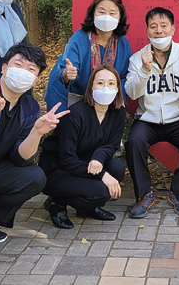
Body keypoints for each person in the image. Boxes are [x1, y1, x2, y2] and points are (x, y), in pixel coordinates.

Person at [125, 7, 179, 218]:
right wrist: (144, 70)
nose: (159, 31)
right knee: (133, 143)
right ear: (147, 31)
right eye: (153, 27)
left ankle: (178, 194)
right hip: (148, 119)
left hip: (178, 118)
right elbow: (132, 93)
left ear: (173, 28)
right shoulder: (137, 58)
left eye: (163, 26)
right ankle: (144, 195)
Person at [0, 44, 67, 243]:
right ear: (4, 68)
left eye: (31, 69)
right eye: (18, 64)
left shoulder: (30, 107)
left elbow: (20, 158)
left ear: (36, 80)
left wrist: (36, 133)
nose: (23, 72)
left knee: (34, 177)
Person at [39, 65, 126, 229]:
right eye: (100, 83)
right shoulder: (75, 114)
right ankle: (56, 202)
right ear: (91, 87)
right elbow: (67, 159)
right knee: (101, 191)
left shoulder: (118, 112)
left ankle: (86, 208)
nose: (105, 88)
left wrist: (97, 158)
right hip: (58, 168)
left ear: (117, 88)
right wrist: (101, 174)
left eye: (111, 83)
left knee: (117, 168)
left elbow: (112, 145)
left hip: (84, 162)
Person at [45, 0, 131, 113]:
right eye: (101, 12)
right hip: (72, 95)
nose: (107, 16)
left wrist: (119, 97)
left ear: (120, 17)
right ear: (93, 14)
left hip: (105, 96)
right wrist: (67, 73)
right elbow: (66, 71)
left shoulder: (122, 43)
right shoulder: (79, 39)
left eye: (112, 13)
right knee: (71, 128)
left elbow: (124, 75)